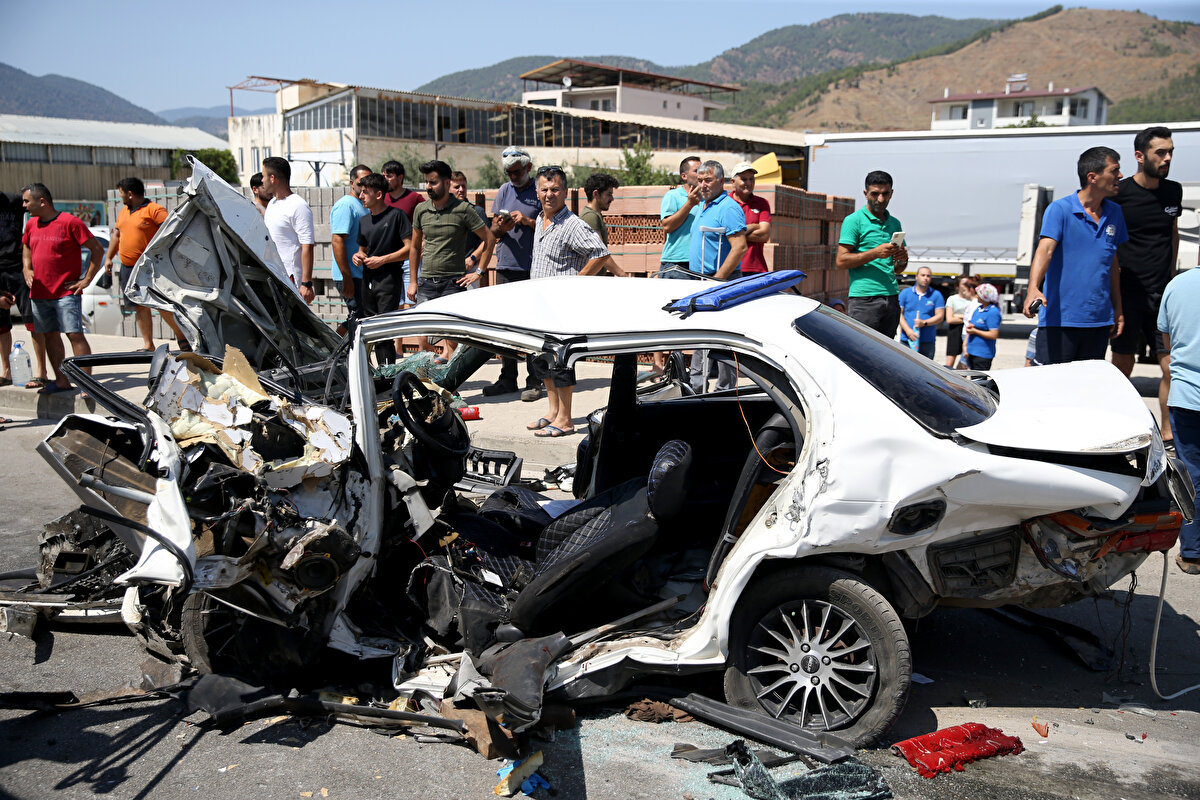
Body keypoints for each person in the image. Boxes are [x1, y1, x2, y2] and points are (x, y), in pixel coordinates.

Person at [525, 166, 622, 438]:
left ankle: (566, 420)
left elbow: (600, 254)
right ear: (537, 192)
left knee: (561, 361)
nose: (549, 194)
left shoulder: (573, 224)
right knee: (543, 361)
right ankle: (553, 412)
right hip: (540, 303)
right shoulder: (539, 220)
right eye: (544, 189)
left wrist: (575, 283)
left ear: (565, 192)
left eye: (555, 189)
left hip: (562, 307)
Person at [1023, 147, 1126, 364]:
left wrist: (1117, 309)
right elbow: (1045, 250)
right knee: (1053, 390)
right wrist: (1033, 288)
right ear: (1093, 177)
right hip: (1060, 322)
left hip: (1098, 323)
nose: (1120, 176)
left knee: (1085, 392)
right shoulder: (1060, 209)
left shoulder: (1115, 213)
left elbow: (1112, 265)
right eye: (1114, 170)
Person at [1112, 126, 1182, 446]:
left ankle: (1168, 433)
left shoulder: (1173, 191)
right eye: (1160, 152)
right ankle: (1117, 425)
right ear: (1140, 156)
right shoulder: (1120, 194)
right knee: (1123, 364)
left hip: (1164, 294)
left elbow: (1172, 233)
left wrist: (1173, 278)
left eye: (1170, 152)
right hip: (1128, 292)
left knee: (1170, 367)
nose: (1167, 158)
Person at [20, 183, 104, 394]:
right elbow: (27, 248)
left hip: (66, 292)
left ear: (42, 201)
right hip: (39, 293)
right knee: (50, 335)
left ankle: (87, 384)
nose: (23, 205)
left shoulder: (70, 222)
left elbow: (96, 251)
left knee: (74, 335)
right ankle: (61, 380)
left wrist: (86, 279)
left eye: (26, 201)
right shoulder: (31, 224)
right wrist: (27, 268)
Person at [483, 147, 543, 400]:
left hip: (531, 267)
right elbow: (494, 226)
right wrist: (501, 225)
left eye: (517, 171)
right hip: (506, 265)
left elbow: (549, 222)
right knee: (505, 327)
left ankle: (535, 380)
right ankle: (507, 378)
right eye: (509, 172)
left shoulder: (540, 190)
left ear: (528, 168)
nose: (512, 176)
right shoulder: (504, 190)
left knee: (531, 327)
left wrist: (528, 222)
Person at [103, 177, 186, 351]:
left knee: (161, 305)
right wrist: (109, 257)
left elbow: (171, 232)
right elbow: (117, 236)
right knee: (139, 306)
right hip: (128, 268)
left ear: (130, 194)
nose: (121, 197)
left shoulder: (154, 210)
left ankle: (182, 338)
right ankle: (148, 344)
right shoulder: (123, 212)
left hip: (150, 267)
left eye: (122, 194)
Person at [689, 161, 748, 393]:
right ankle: (696, 388)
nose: (702, 185)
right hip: (700, 280)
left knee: (723, 339)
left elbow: (739, 246)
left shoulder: (728, 208)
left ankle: (724, 390)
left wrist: (718, 279)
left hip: (719, 282)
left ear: (720, 182)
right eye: (700, 180)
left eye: (708, 180)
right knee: (700, 337)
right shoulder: (704, 206)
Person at [409, 159, 494, 316]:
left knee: (451, 337)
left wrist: (479, 272)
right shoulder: (420, 210)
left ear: (446, 183)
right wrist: (413, 281)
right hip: (425, 281)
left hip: (453, 282)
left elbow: (490, 239)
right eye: (426, 182)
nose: (428, 187)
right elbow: (414, 247)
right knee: (423, 334)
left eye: (433, 182)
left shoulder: (464, 210)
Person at [1158, 267, 1200, 574]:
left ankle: (1193, 553)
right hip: (1185, 396)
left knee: (1192, 474)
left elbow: (1167, 341)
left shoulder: (1177, 285)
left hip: (1187, 395)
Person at [836, 170, 908, 337]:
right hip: (864, 299)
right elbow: (841, 261)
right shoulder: (854, 221)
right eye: (875, 194)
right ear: (865, 193)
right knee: (860, 352)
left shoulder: (894, 223)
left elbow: (898, 269)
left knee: (886, 354)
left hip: (891, 296)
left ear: (891, 193)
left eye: (885, 194)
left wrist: (902, 259)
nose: (880, 199)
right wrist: (875, 253)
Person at [352, 173, 411, 363]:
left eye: (365, 192)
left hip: (389, 280)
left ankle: (387, 375)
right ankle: (373, 374)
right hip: (367, 281)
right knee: (369, 329)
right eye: (360, 192)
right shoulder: (364, 221)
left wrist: (383, 260)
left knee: (384, 331)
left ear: (378, 194)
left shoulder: (397, 216)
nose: (361, 196)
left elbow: (409, 248)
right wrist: (358, 256)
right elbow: (362, 250)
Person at [261, 157, 316, 302]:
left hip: (292, 281)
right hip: (272, 276)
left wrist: (306, 283)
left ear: (272, 178)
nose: (262, 180)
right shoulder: (272, 204)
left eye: (263, 176)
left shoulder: (298, 206)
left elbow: (307, 246)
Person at [0, 189, 38, 387]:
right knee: (1, 324)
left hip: (17, 267)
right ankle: (6, 370)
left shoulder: (14, 200)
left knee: (32, 319)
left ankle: (41, 372)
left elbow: (38, 204)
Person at [330, 164, 372, 334]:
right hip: (350, 275)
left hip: (360, 273)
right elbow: (337, 241)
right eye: (361, 181)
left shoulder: (363, 204)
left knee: (362, 317)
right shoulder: (346, 205)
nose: (364, 186)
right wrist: (346, 276)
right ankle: (332, 350)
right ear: (352, 182)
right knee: (358, 317)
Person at [382, 160, 424, 311]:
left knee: (413, 303)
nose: (385, 179)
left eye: (389, 176)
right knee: (395, 306)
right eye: (383, 176)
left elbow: (426, 222)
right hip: (389, 260)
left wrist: (423, 243)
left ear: (400, 178)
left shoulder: (414, 198)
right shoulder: (382, 199)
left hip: (409, 260)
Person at [450, 170, 491, 286]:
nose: (461, 190)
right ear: (448, 187)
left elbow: (489, 240)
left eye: (463, 186)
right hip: (447, 271)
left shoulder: (477, 212)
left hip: (470, 270)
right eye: (456, 187)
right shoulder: (443, 213)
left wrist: (472, 258)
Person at [730, 161, 771, 275]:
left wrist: (735, 235)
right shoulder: (726, 204)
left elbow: (764, 235)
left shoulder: (762, 203)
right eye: (744, 179)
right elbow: (722, 235)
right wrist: (754, 226)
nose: (748, 183)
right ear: (733, 182)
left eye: (751, 179)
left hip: (755, 268)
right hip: (730, 268)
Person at [898, 266, 946, 359]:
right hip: (907, 340)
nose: (925, 278)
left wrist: (924, 323)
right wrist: (908, 331)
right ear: (916, 277)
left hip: (927, 341)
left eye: (928, 276)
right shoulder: (905, 293)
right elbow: (899, 314)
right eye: (923, 275)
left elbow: (940, 316)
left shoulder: (936, 295)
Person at [964, 283, 1001, 371]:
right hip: (972, 351)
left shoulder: (993, 312)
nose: (976, 296)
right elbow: (975, 325)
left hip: (983, 354)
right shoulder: (978, 309)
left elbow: (993, 334)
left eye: (979, 294)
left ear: (985, 296)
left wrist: (975, 331)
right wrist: (965, 346)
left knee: (979, 381)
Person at [579, 172, 619, 246]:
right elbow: (600, 254)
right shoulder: (590, 217)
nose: (612, 199)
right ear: (596, 194)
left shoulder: (595, 215)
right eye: (609, 194)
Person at [944, 275, 975, 368]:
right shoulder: (952, 299)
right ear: (958, 286)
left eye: (968, 284)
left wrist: (958, 316)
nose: (966, 286)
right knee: (950, 360)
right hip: (955, 330)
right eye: (964, 284)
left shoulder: (973, 300)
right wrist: (965, 317)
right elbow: (950, 319)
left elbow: (974, 318)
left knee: (964, 361)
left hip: (966, 330)